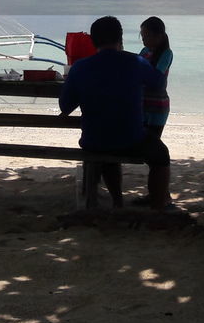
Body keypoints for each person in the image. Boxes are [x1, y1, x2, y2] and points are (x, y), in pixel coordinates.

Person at [59, 16, 172, 208]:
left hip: (93, 141)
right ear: (120, 39)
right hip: (131, 140)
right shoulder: (136, 63)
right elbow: (158, 83)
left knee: (106, 150)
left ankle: (118, 201)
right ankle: (158, 205)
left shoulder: (80, 67)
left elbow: (65, 106)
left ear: (93, 41)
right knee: (161, 155)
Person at [137, 16, 174, 140]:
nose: (143, 40)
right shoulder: (144, 51)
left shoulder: (166, 53)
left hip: (158, 106)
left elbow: (156, 77)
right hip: (143, 103)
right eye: (142, 37)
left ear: (158, 36)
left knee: (153, 142)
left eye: (145, 36)